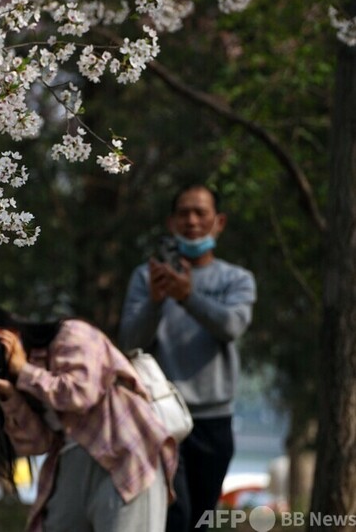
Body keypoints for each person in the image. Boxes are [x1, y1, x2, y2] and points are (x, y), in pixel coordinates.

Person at [0, 305, 177, 532]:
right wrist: (8, 394)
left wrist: (24, 371)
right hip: (70, 464)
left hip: (124, 453)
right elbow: (36, 443)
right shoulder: (15, 379)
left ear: (11, 330)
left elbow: (81, 394)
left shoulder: (71, 334)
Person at [117, 184, 257, 532]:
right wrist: (155, 300)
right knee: (172, 516)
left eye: (201, 212)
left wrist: (187, 297)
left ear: (218, 221)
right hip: (161, 417)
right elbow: (131, 340)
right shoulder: (146, 277)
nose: (192, 220)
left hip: (214, 419)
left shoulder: (236, 279)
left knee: (202, 518)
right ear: (171, 222)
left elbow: (231, 326)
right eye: (184, 213)